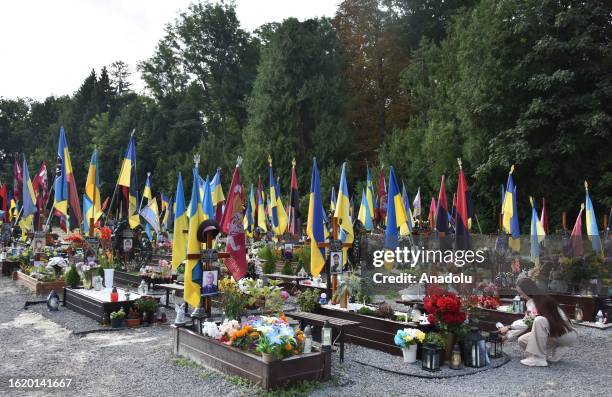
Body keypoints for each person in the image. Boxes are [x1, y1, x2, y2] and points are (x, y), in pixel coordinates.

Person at [505, 278, 577, 367]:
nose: (521, 296)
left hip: (565, 334)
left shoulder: (538, 302)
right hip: (560, 334)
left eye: (521, 293)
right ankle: (556, 348)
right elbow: (527, 322)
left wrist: (509, 328)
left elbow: (526, 322)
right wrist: (508, 336)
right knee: (522, 340)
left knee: (539, 320)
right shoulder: (539, 299)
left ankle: (538, 358)